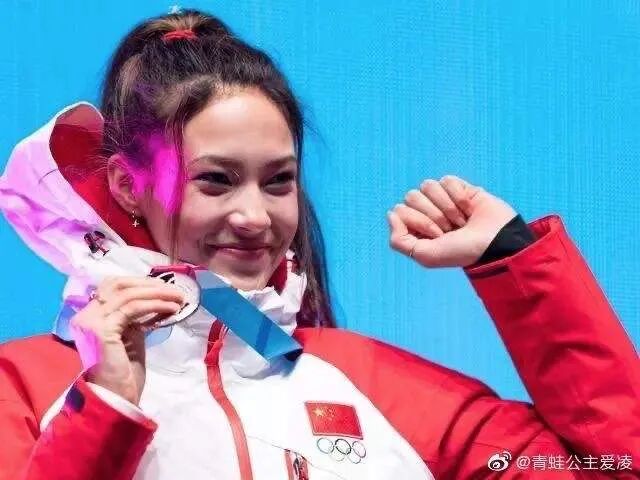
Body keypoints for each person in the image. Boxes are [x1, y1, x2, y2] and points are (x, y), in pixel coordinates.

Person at [0, 8, 638, 480]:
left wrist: (511, 256)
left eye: (278, 181)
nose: (255, 216)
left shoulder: (377, 388)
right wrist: (106, 407)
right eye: (215, 180)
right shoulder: (26, 388)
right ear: (127, 185)